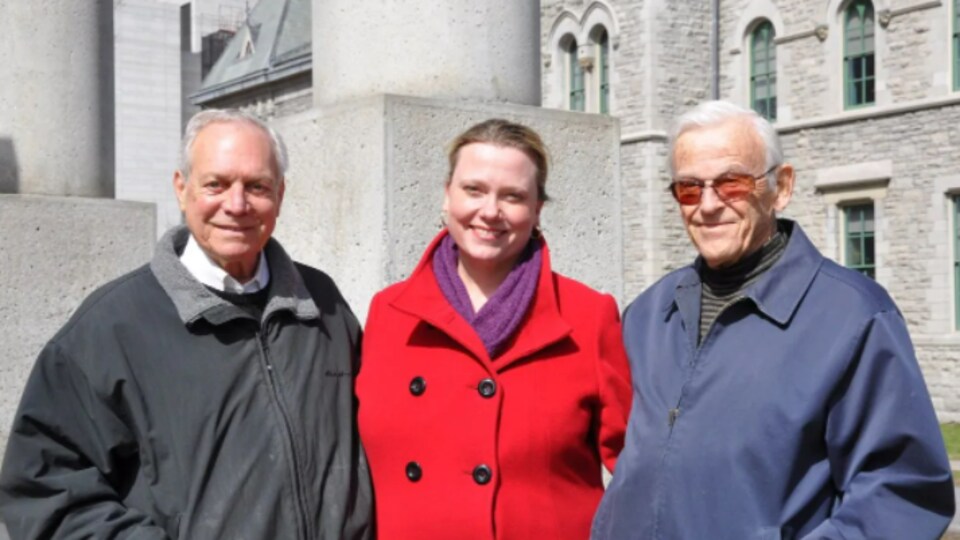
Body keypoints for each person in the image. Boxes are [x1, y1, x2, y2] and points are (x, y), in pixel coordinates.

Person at [0, 109, 373, 539]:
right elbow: (47, 492)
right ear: (182, 188)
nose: (236, 205)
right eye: (216, 184)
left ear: (280, 195)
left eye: (257, 186)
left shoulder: (321, 302)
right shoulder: (111, 328)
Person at [591, 100, 956, 539]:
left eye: (732, 183)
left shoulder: (853, 317)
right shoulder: (648, 314)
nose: (708, 205)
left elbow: (901, 493)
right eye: (689, 188)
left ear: (780, 188)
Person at [357, 119, 632, 539]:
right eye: (474, 190)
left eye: (513, 196)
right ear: (447, 195)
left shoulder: (587, 317)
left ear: (537, 209)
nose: (490, 211)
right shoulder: (389, 313)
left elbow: (638, 469)